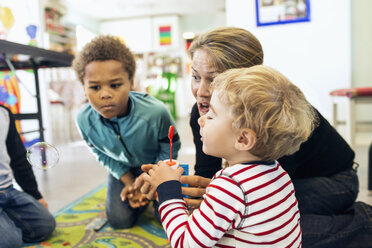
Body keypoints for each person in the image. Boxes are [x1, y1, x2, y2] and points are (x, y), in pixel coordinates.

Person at [138, 27, 372, 247]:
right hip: (277, 185)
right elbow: (212, 178)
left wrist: (190, 197)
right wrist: (171, 186)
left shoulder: (275, 120)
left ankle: (363, 222)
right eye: (196, 77)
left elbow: (253, 193)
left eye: (215, 80)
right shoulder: (201, 114)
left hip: (334, 181)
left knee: (271, 233)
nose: (201, 92)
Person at [143, 66, 315, 247]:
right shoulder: (280, 173)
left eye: (211, 116)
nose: (201, 119)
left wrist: (167, 190)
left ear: (243, 138)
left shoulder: (231, 185)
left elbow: (184, 242)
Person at [72, 35, 181, 228]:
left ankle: (148, 199)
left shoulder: (156, 112)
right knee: (119, 220)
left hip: (156, 166)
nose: (105, 94)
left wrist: (151, 179)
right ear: (83, 87)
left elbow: (170, 147)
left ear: (131, 82)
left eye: (115, 85)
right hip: (123, 169)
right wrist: (129, 182)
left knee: (168, 218)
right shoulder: (83, 119)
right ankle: (138, 197)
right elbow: (99, 153)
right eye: (95, 87)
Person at [0, 104, 56, 248]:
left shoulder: (4, 113)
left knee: (45, 225)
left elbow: (18, 158)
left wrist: (35, 194)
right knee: (10, 242)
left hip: (7, 189)